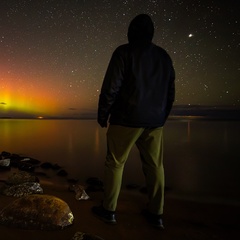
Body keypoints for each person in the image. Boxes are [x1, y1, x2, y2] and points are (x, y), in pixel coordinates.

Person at [92, 14, 175, 229]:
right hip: (155, 121)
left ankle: (109, 210)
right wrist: (162, 116)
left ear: (131, 32)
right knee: (155, 165)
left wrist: (103, 114)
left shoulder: (124, 52)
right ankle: (157, 214)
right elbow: (170, 92)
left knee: (115, 162)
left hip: (126, 119)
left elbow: (111, 86)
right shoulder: (164, 56)